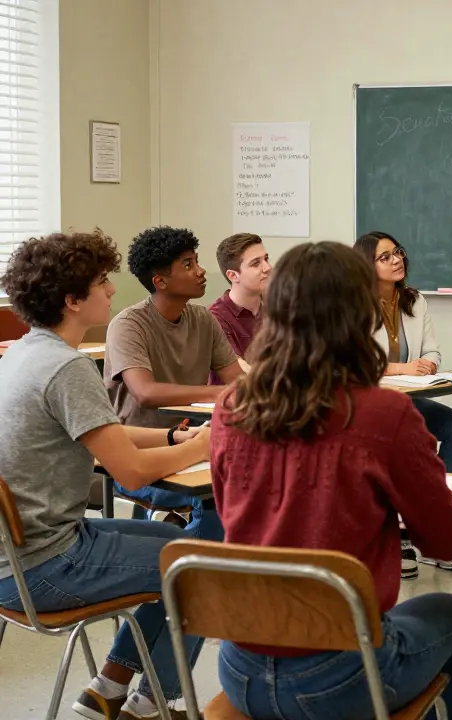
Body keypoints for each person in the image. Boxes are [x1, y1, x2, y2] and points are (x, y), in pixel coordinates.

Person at [210, 241, 452, 720]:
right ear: (360, 315)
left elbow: (232, 509)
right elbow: (446, 542)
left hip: (240, 669)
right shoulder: (383, 413)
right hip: (340, 674)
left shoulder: (233, 405)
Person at [0, 230, 210, 720]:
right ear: (73, 300)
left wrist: (177, 441)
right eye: (101, 282)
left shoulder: (26, 353)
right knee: (198, 568)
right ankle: (157, 703)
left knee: (179, 547)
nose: (113, 290)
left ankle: (113, 691)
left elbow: (106, 433)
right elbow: (131, 473)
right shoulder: (67, 368)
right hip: (46, 566)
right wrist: (203, 445)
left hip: (21, 555)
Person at [103, 225, 242, 542]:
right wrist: (221, 392)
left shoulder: (203, 319)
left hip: (193, 445)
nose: (201, 271)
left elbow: (239, 383)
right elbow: (145, 393)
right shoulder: (129, 324)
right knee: (216, 497)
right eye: (188, 264)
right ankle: (194, 570)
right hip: (138, 455)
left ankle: (199, 553)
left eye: (197, 260)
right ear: (160, 281)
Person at [354, 230, 452, 575]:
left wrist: (431, 364)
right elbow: (356, 360)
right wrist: (402, 367)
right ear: (366, 265)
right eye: (385, 257)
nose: (397, 260)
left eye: (398, 253)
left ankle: (433, 521)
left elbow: (432, 349)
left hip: (409, 398)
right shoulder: (352, 304)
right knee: (401, 442)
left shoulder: (415, 300)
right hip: (369, 402)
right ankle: (399, 536)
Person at [209, 232, 271, 360]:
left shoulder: (277, 307)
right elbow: (236, 369)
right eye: (255, 263)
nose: (268, 268)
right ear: (233, 275)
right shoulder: (215, 318)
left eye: (266, 259)